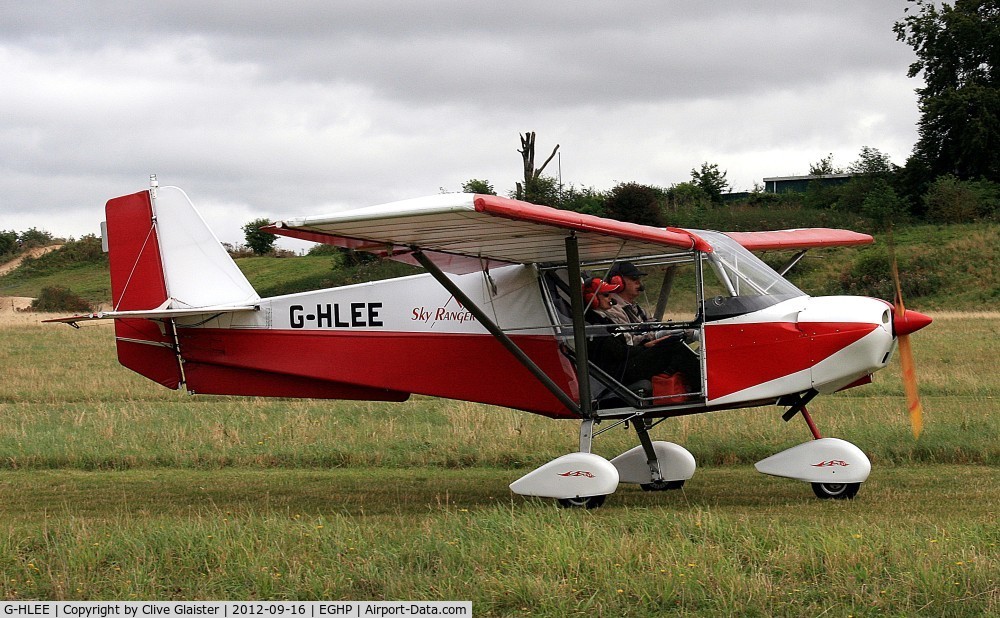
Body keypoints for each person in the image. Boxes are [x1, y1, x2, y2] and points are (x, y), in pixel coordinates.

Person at [581, 278, 691, 387]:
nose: (611, 297)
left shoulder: (604, 318)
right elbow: (619, 351)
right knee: (674, 347)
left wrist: (647, 345)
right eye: (606, 295)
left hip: (625, 363)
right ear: (592, 298)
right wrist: (645, 348)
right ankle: (699, 387)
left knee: (673, 341)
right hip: (619, 372)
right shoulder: (593, 323)